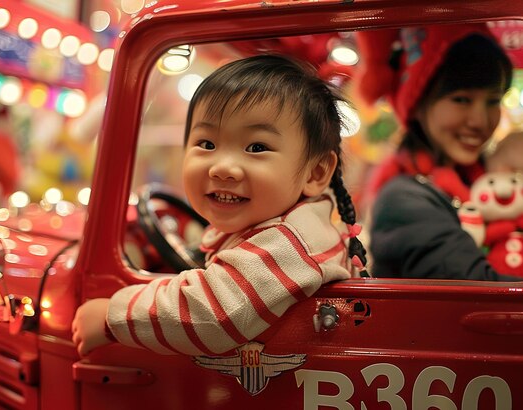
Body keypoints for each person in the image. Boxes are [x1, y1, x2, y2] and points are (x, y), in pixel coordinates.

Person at [72, 54, 367, 356]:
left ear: (315, 172)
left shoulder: (291, 242)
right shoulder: (270, 224)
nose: (222, 167)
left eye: (256, 147)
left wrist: (113, 316)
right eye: (207, 144)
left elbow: (211, 315)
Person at [356, 23, 521, 281]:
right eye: (461, 99)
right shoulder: (403, 199)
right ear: (419, 103)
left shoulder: (490, 180)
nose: (480, 121)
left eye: (493, 100)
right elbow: (483, 291)